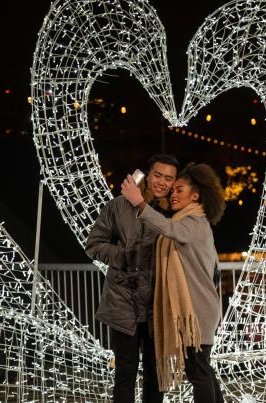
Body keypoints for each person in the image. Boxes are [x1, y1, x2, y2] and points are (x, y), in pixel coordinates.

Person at [121, 162, 226, 403]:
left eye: (180, 189)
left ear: (196, 195)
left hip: (196, 313)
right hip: (199, 309)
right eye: (173, 190)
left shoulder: (193, 222)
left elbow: (168, 228)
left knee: (198, 372)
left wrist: (139, 202)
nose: (173, 194)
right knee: (203, 370)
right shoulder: (191, 221)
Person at [85, 154, 179, 403]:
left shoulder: (175, 212)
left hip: (157, 307)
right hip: (123, 303)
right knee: (125, 374)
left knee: (156, 375)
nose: (162, 182)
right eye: (158, 175)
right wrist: (124, 256)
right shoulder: (119, 206)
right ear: (148, 175)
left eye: (168, 178)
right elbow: (93, 245)